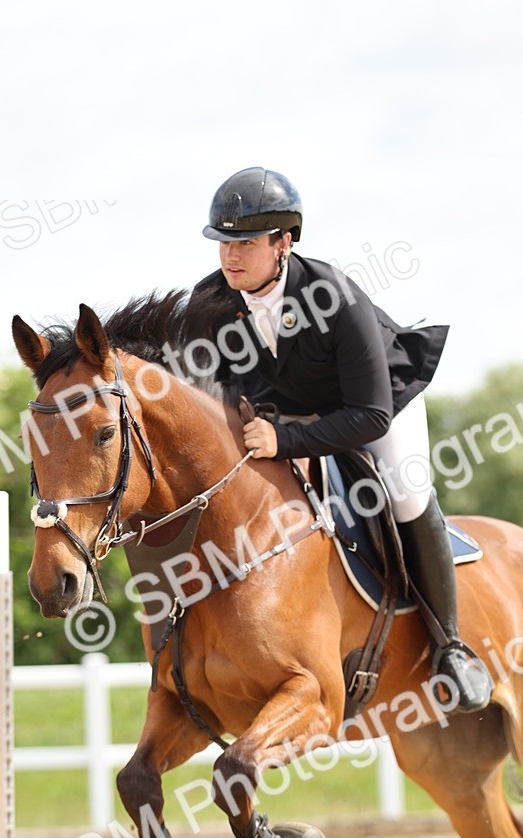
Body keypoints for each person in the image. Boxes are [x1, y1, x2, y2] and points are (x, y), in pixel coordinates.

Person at [193, 165, 493, 713]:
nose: (230, 257)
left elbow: (371, 416)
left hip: (376, 406)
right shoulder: (211, 303)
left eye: (246, 243)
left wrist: (282, 441)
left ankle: (450, 645)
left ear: (284, 242)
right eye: (224, 244)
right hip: (288, 416)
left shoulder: (335, 295)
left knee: (404, 490)